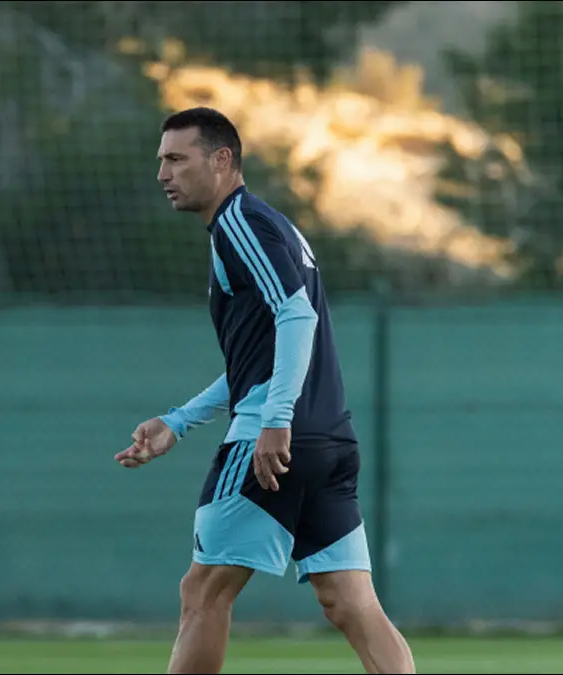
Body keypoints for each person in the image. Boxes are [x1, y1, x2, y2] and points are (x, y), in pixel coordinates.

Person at [115, 107, 416, 674]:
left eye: (177, 159)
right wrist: (179, 421)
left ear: (223, 159)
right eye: (161, 161)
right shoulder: (272, 225)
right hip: (329, 441)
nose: (163, 174)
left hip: (273, 442)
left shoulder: (239, 224)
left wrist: (276, 421)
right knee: (350, 602)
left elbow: (295, 316)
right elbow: (261, 358)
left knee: (202, 594)